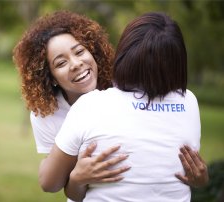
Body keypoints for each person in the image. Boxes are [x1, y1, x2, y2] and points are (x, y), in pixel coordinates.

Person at [13, 10, 208, 201]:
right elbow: (57, 182)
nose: (75, 64)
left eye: (80, 51)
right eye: (61, 63)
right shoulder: (47, 113)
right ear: (51, 78)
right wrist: (76, 178)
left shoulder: (123, 88)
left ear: (93, 51)